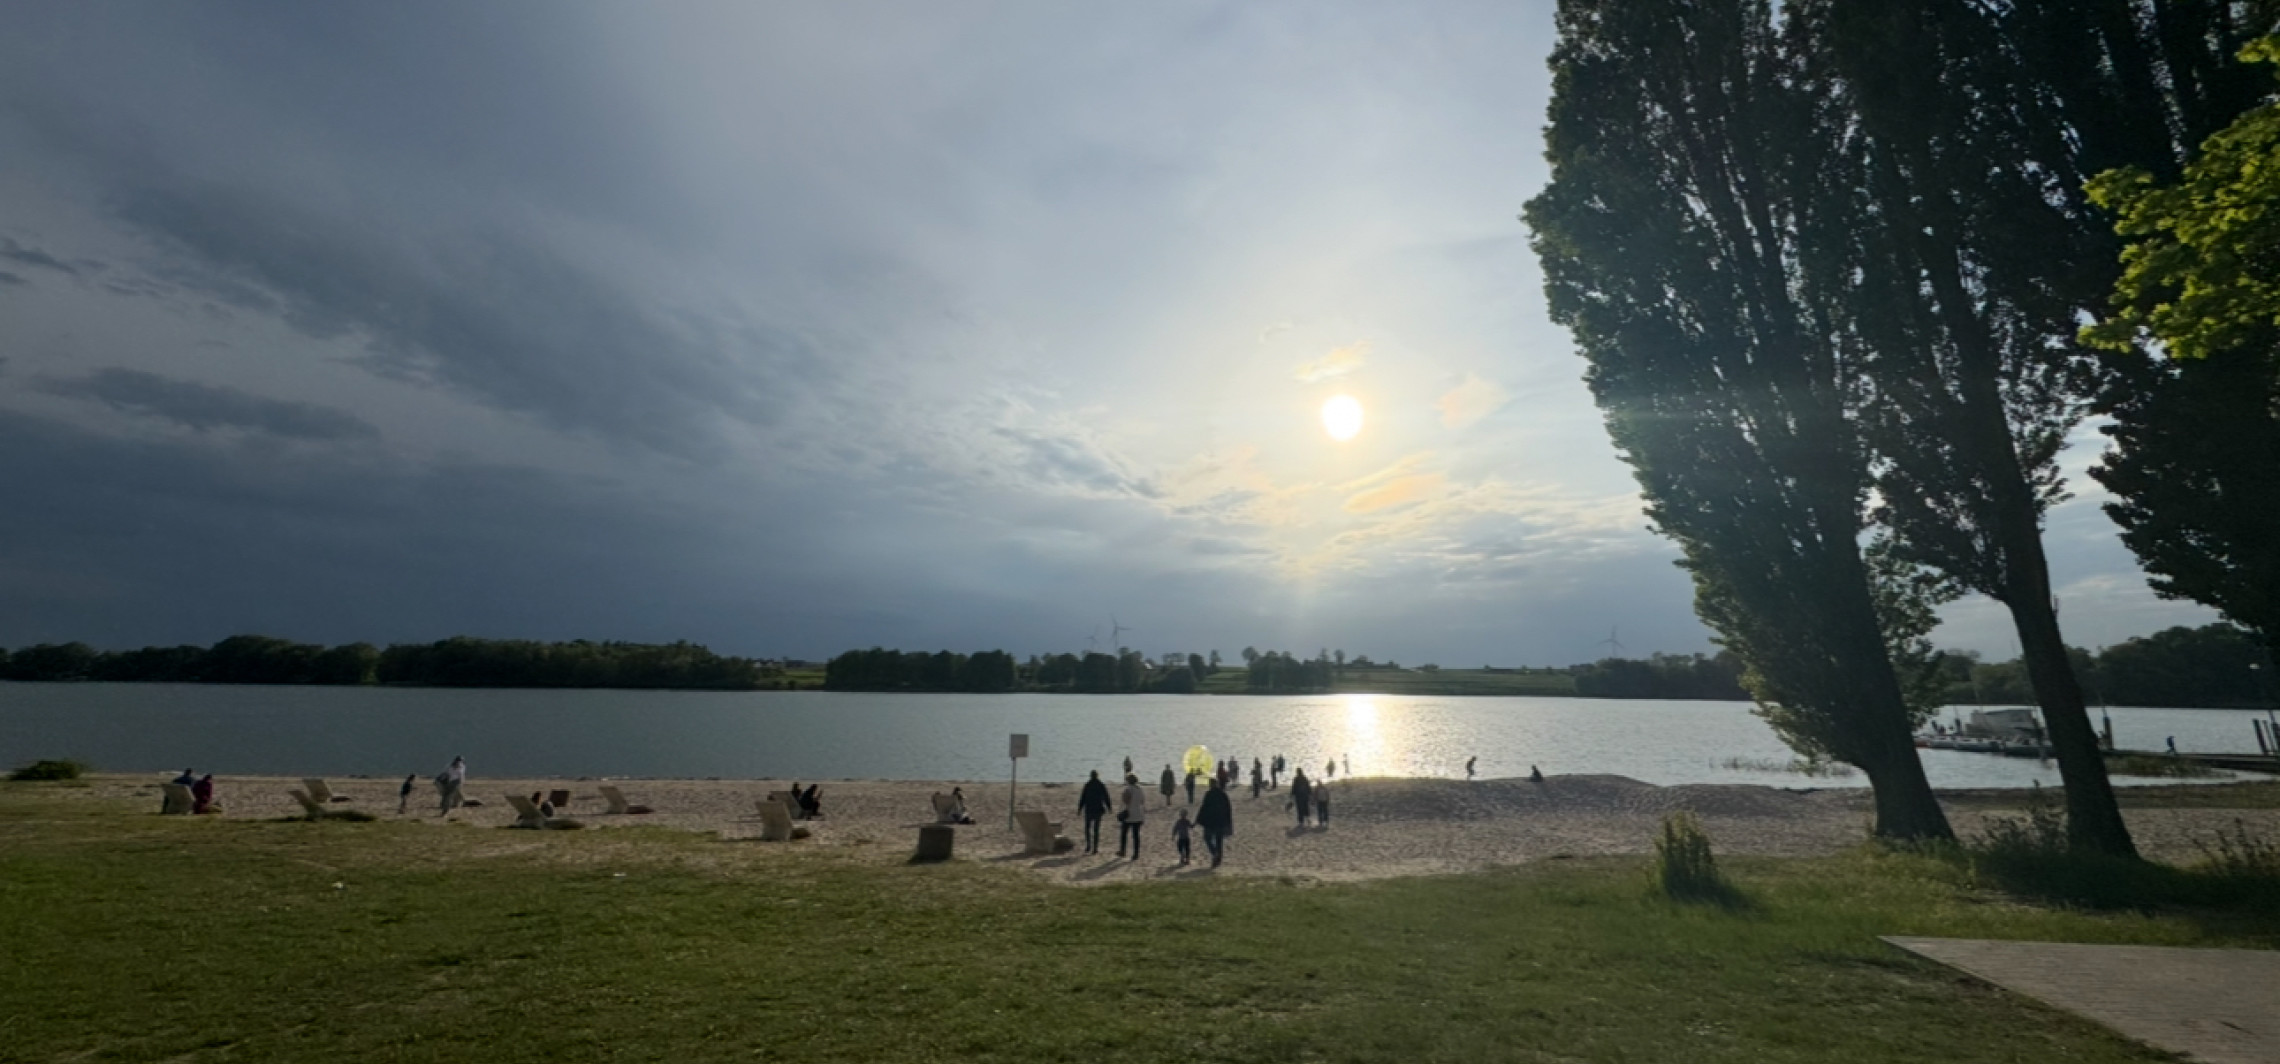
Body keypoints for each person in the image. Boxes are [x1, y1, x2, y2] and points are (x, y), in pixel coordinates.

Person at [1196, 777, 1234, 867]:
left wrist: (1198, 819)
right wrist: (1228, 821)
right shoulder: (1223, 794)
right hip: (1220, 821)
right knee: (1219, 841)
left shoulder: (1209, 794)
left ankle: (1214, 853)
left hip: (1210, 821)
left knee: (1207, 838)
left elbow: (1204, 808)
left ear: (1210, 784)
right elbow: (1228, 808)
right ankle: (1218, 860)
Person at [1077, 770, 1114, 855]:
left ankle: (1088, 845)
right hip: (1098, 809)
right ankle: (1095, 848)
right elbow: (1106, 797)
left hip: (1089, 809)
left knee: (1087, 828)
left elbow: (1083, 797)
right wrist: (1109, 807)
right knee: (1096, 829)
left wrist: (1079, 809)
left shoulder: (1088, 785)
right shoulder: (1101, 785)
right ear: (1097, 775)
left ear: (1090, 776)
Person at [1117, 772, 1148, 859]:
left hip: (1129, 814)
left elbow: (1126, 801)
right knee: (1136, 836)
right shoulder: (1140, 789)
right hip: (1138, 814)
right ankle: (1136, 853)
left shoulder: (1128, 789)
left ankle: (1123, 851)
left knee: (1124, 833)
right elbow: (1142, 801)